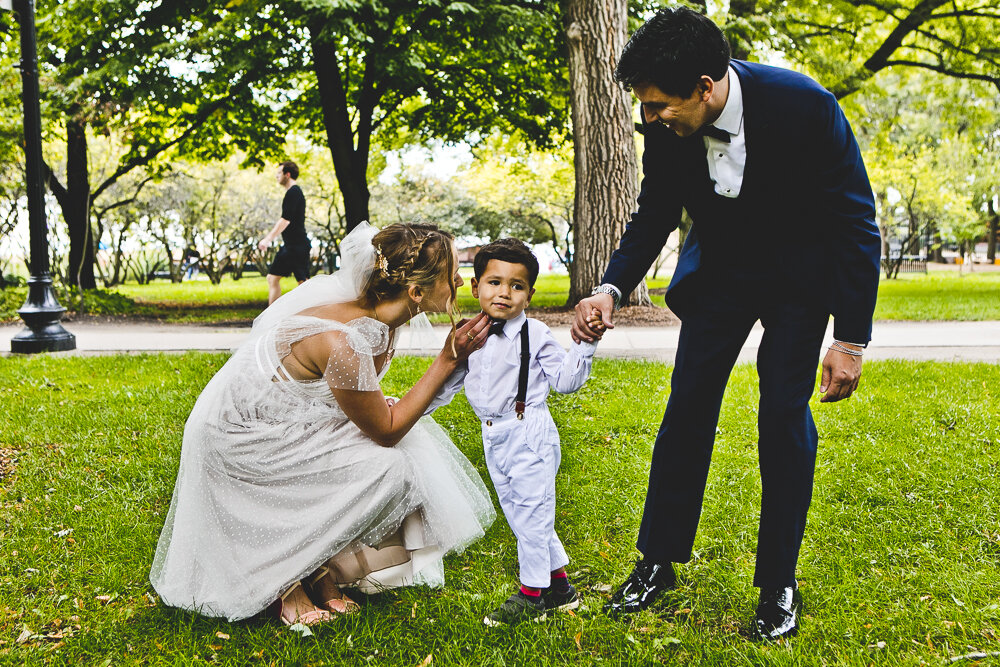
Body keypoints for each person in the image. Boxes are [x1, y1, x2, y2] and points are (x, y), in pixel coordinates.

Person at [570, 7, 881, 641]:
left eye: (659, 105)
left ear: (706, 86)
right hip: (720, 279)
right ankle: (657, 562)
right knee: (686, 407)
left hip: (799, 285)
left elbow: (856, 222)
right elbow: (655, 210)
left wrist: (849, 338)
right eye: (644, 106)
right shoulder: (666, 123)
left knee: (783, 417)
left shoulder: (806, 107)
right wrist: (609, 287)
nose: (649, 118)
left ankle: (778, 584)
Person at [151, 222, 497, 626]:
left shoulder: (382, 321)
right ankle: (284, 579)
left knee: (407, 451)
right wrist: (447, 360)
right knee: (390, 468)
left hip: (287, 422)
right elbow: (386, 430)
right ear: (416, 293)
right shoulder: (342, 339)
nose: (460, 281)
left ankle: (314, 565)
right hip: (238, 438)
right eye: (452, 273)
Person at [433, 238, 602, 626]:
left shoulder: (536, 334)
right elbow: (448, 383)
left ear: (530, 295)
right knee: (523, 515)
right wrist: (409, 408)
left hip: (529, 434)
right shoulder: (470, 335)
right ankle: (561, 590)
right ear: (475, 286)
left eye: (517, 286)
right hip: (493, 437)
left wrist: (585, 345)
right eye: (494, 282)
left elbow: (565, 381)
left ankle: (531, 595)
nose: (504, 293)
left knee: (530, 513)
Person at [258, 161, 312, 304]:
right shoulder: (292, 192)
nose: (276, 176)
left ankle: (314, 314)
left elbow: (285, 220)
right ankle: (273, 315)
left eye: (279, 173)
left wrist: (267, 239)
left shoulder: (294, 192)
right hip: (291, 246)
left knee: (304, 284)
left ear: (287, 175)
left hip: (297, 246)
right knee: (272, 278)